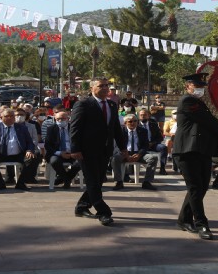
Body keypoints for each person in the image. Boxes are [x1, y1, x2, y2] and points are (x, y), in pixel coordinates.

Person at [174, 73, 218, 240]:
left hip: (202, 151)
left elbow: (210, 126)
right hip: (187, 151)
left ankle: (184, 219)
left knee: (201, 187)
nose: (201, 90)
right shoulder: (188, 101)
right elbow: (209, 121)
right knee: (196, 187)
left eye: (202, 87)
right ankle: (202, 224)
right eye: (197, 86)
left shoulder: (202, 104)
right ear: (188, 86)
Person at [69, 78, 126, 226]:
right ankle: (103, 212)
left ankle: (82, 207)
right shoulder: (83, 104)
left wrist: (123, 147)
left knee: (99, 180)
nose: (105, 88)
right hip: (86, 150)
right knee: (92, 181)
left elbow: (116, 129)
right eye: (101, 86)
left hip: (105, 149)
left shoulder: (112, 105)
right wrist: (75, 149)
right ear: (92, 88)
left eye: (107, 86)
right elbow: (75, 128)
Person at [0, 108, 37, 191]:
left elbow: (30, 142)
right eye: (6, 116)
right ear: (1, 118)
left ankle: (21, 183)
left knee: (33, 158)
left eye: (12, 116)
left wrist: (29, 150)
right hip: (0, 153)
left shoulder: (21, 128)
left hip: (18, 154)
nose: (9, 118)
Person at [112, 114, 158, 191]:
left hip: (138, 153)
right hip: (124, 152)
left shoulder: (143, 131)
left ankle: (147, 182)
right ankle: (119, 181)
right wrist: (126, 155)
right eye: (130, 121)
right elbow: (117, 145)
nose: (133, 123)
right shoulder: (121, 131)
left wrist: (139, 154)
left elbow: (145, 145)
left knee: (153, 158)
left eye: (135, 121)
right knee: (114, 159)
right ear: (125, 123)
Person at [44, 110, 81, 189]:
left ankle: (62, 179)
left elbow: (80, 142)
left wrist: (73, 152)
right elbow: (47, 145)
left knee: (81, 162)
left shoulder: (74, 128)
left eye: (63, 119)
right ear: (55, 119)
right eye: (58, 119)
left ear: (68, 119)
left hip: (72, 153)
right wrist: (60, 153)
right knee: (54, 161)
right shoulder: (51, 129)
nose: (60, 121)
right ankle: (67, 180)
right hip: (57, 154)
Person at [138, 109, 169, 175]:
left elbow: (160, 137)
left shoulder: (153, 125)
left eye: (145, 115)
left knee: (163, 147)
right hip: (141, 146)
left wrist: (152, 143)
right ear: (139, 116)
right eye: (141, 115)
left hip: (152, 144)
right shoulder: (136, 125)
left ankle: (162, 168)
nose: (143, 116)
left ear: (148, 116)